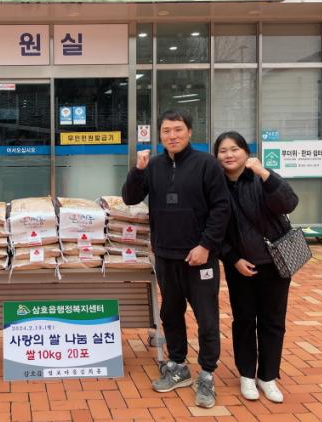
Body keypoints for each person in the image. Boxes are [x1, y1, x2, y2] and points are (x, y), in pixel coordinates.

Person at [122, 109, 230, 409]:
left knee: (206, 317)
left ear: (190, 132)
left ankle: (206, 374)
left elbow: (222, 208)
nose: (172, 135)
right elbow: (130, 197)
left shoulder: (207, 164)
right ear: (160, 135)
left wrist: (206, 245)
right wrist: (138, 170)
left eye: (178, 129)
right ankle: (178, 365)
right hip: (166, 255)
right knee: (170, 313)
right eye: (167, 131)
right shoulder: (154, 165)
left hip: (199, 257)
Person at [214, 131, 298, 403]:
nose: (229, 155)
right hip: (240, 266)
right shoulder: (215, 185)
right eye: (223, 150)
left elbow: (289, 203)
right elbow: (213, 229)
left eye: (235, 149)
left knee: (273, 321)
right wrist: (233, 259)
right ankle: (247, 375)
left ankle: (268, 376)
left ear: (246, 152)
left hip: (276, 263)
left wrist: (264, 173)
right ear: (216, 156)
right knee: (244, 321)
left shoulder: (262, 178)